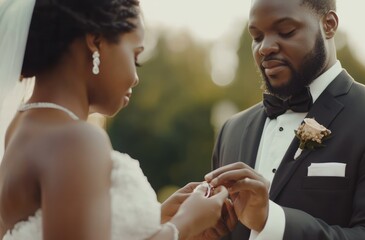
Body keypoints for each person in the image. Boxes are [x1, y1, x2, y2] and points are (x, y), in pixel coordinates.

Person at [0, 0, 236, 239]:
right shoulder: (76, 139)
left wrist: (160, 218)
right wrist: (187, 223)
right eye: (135, 57)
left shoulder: (20, 126)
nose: (135, 78)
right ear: (96, 41)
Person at [205, 0, 365, 239]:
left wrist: (273, 222)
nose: (265, 47)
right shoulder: (232, 130)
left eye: (286, 31)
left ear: (329, 25)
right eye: (257, 36)